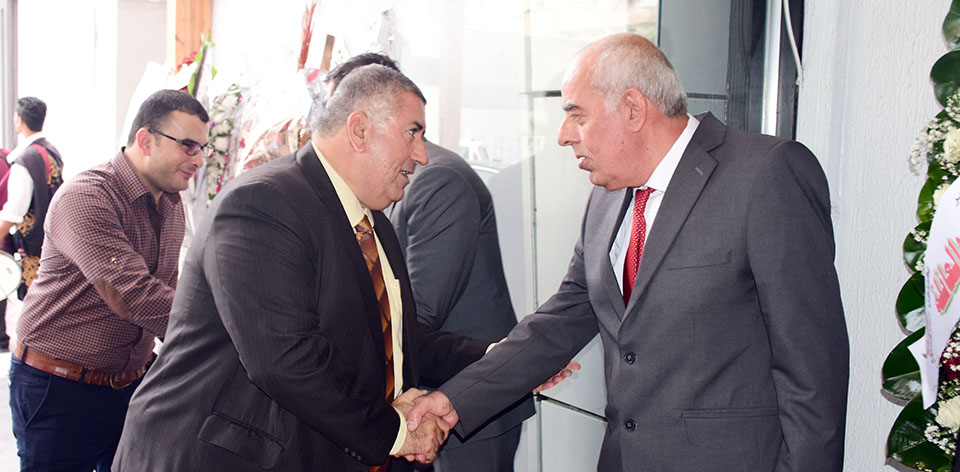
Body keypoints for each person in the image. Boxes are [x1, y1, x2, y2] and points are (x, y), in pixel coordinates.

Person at [407, 33, 850, 471]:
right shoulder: (606, 198)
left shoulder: (765, 174)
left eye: (576, 115)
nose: (563, 135)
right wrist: (454, 400)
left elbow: (813, 369)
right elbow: (559, 322)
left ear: (634, 108)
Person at [112, 65, 490, 472]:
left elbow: (392, 335)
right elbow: (285, 358)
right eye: (412, 133)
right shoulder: (263, 203)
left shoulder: (371, 221)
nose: (422, 155)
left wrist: (499, 360)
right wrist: (395, 431)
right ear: (360, 130)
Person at [325, 52, 536, 472]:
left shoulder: (439, 180)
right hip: (420, 399)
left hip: (464, 405)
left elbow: (418, 311)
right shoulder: (369, 185)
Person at [8, 89, 209, 471]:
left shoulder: (170, 204)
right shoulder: (89, 196)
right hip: (59, 389)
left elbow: (170, 289)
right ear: (145, 140)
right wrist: (223, 331)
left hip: (128, 386)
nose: (197, 159)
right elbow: (132, 294)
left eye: (202, 148)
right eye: (187, 146)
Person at [0, 97, 64, 350]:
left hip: (33, 247)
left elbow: (13, 212)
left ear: (19, 121)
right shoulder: (51, 152)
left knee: (35, 310)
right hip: (52, 239)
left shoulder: (24, 161)